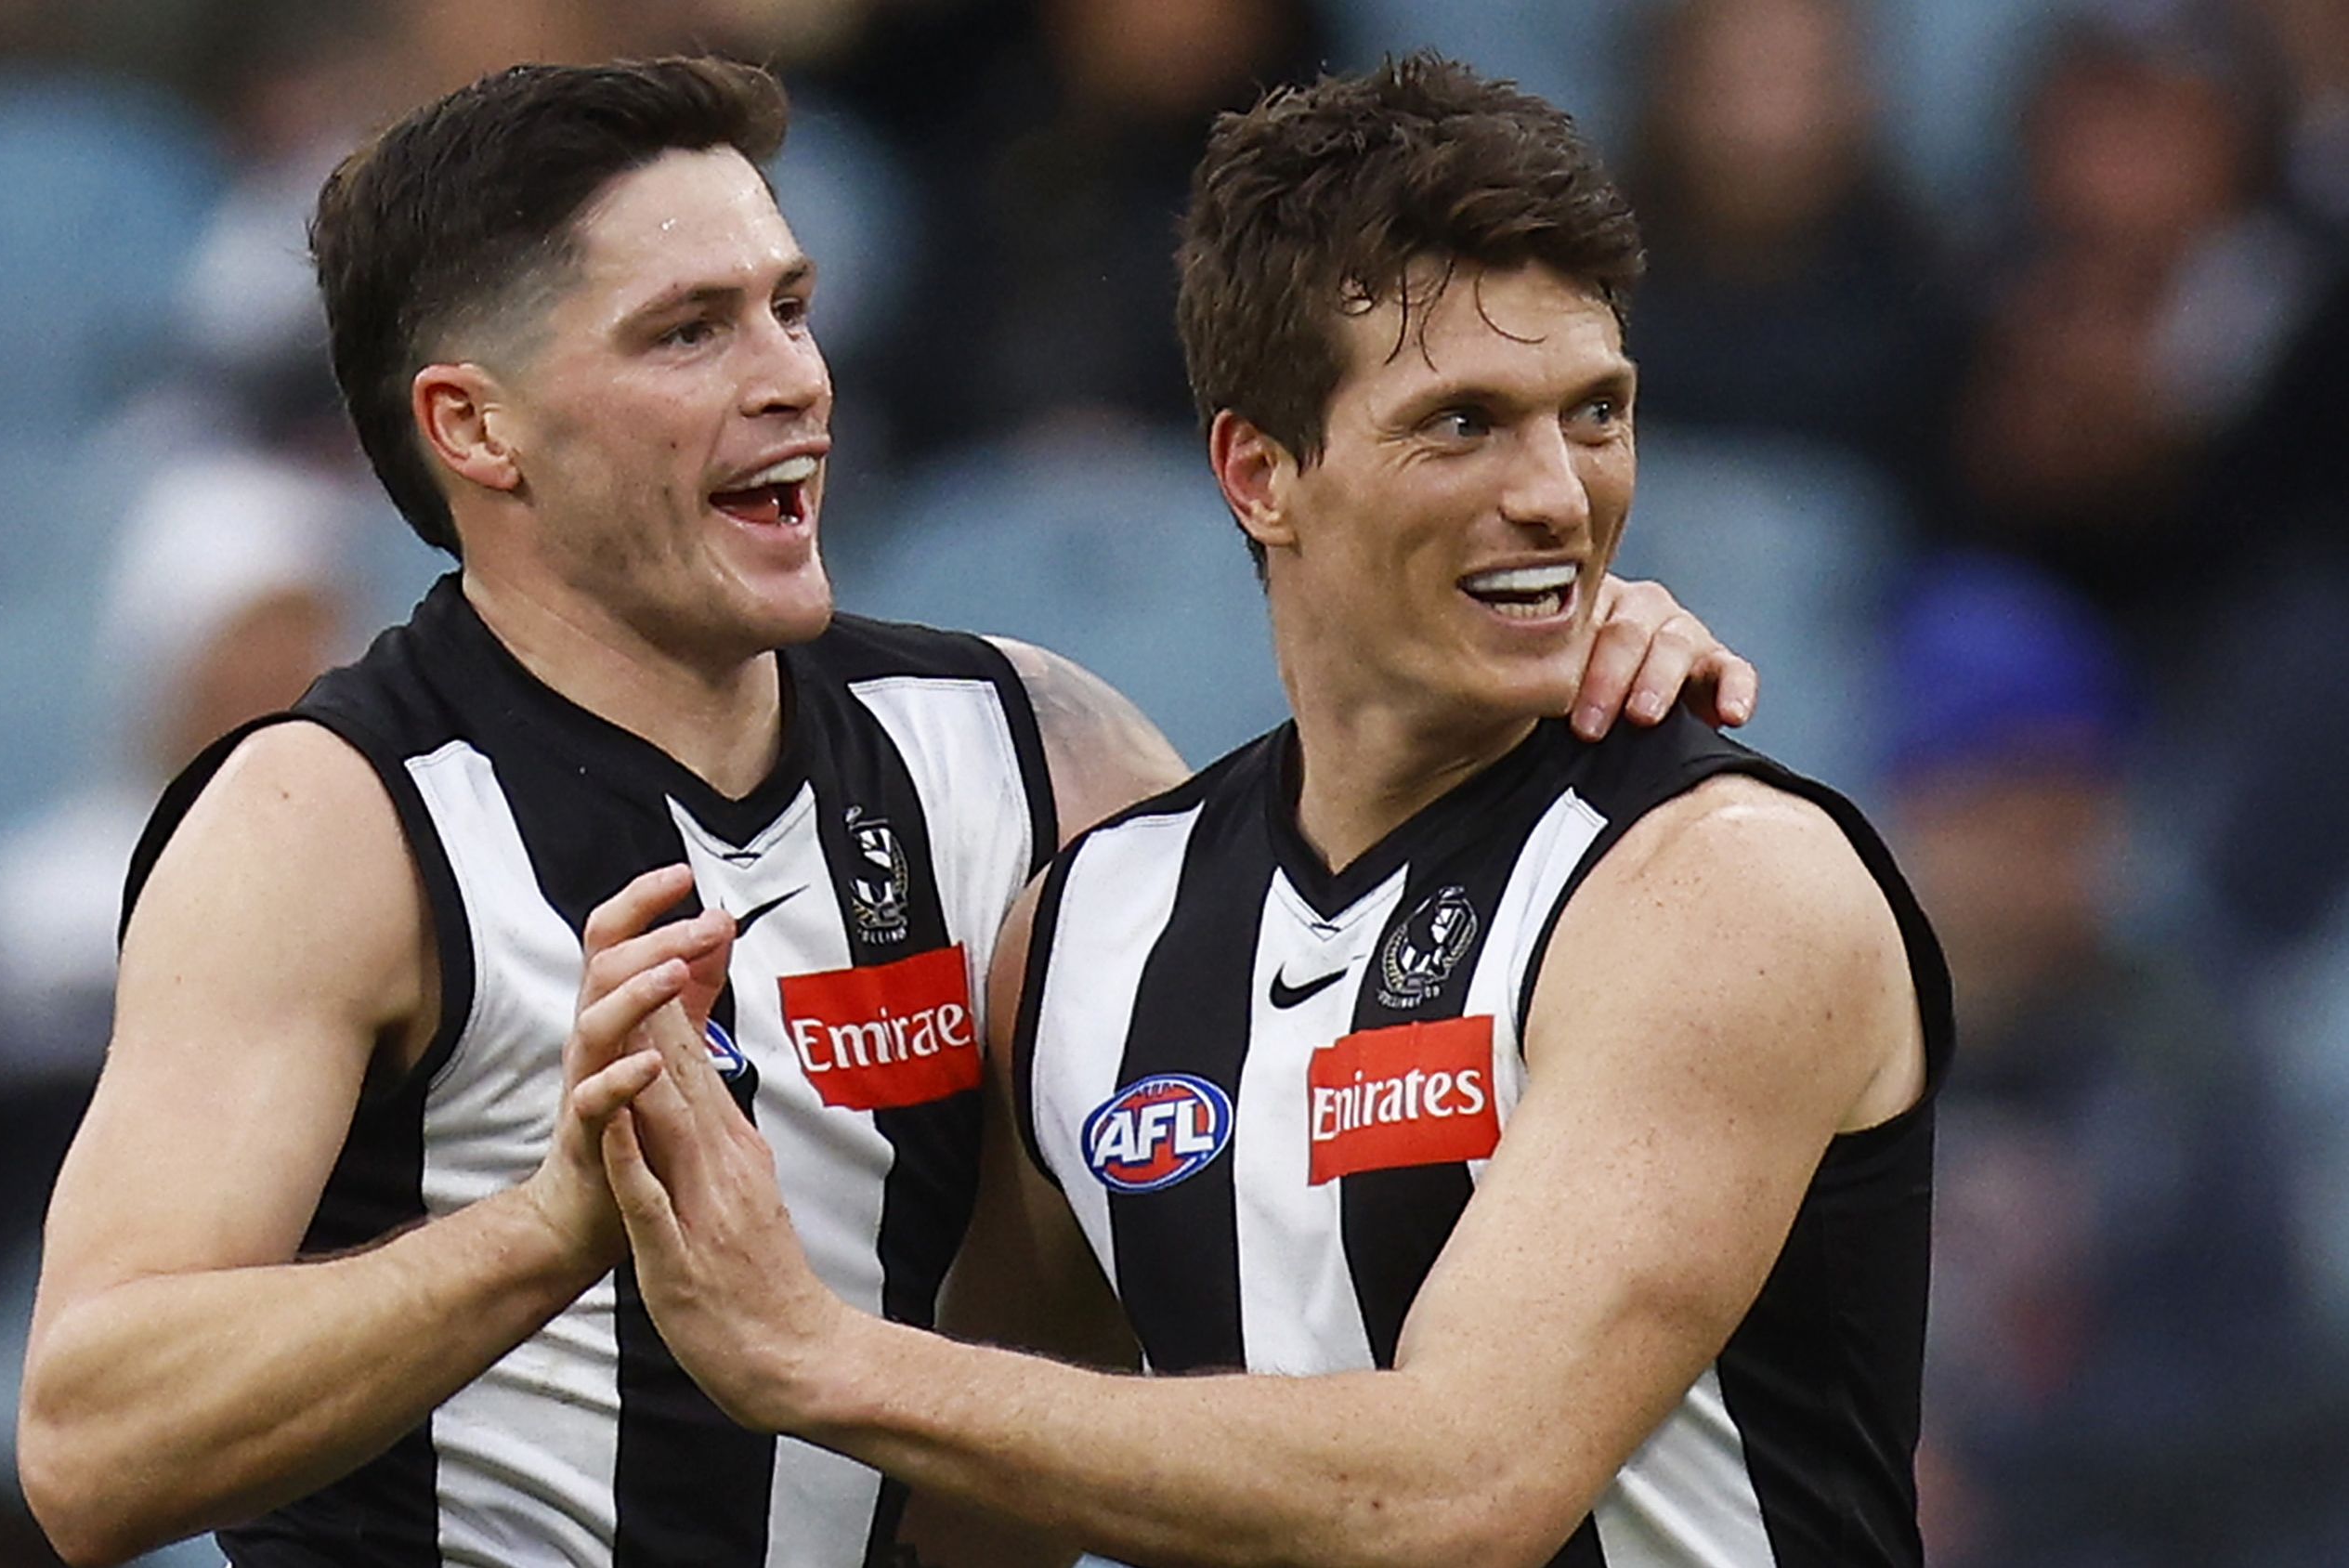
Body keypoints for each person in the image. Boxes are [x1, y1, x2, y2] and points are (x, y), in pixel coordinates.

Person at [16, 57, 1755, 1567]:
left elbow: (1334, 956)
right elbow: (92, 1447)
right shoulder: (333, 820)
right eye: (691, 331)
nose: (792, 378)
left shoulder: (1024, 742)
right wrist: (539, 1239)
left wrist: (1551, 678)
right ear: (478, 427)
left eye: (791, 304)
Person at [593, 54, 1949, 1568]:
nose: (1561, 494)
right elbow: (991, 1499)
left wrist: (825, 1358)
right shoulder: (1091, 929)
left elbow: (1461, 1487)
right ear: (1258, 473)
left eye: (1597, 412)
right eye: (1464, 425)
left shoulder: (1728, 884)